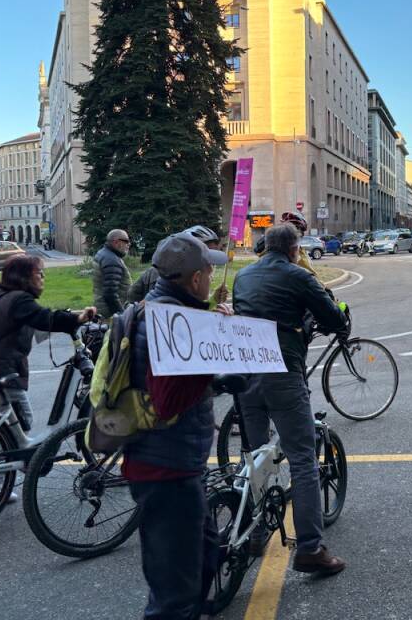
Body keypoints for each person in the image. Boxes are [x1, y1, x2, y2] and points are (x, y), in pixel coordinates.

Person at [124, 233, 230, 620]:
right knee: (173, 591)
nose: (212, 274)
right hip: (166, 468)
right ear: (195, 278)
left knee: (204, 556)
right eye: (208, 269)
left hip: (173, 462)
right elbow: (169, 400)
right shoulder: (170, 323)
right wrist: (208, 359)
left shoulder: (161, 310)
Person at [233, 223, 348, 575]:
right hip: (281, 369)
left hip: (245, 370)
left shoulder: (243, 276)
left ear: (265, 247)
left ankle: (252, 534)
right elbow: (331, 316)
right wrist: (337, 321)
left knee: (255, 457)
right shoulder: (299, 276)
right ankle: (311, 549)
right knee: (302, 458)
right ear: (295, 249)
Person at [0, 255, 95, 442]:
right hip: (2, 374)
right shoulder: (19, 300)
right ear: (24, 277)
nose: (43, 277)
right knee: (22, 424)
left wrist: (68, 320)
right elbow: (44, 319)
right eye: (39, 273)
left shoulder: (5, 297)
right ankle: (0, 470)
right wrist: (78, 319)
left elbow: (39, 326)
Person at [129, 225, 228, 305]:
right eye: (207, 261)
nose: (211, 277)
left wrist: (213, 302)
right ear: (195, 279)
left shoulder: (168, 290)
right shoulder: (161, 278)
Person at [92, 229, 131, 319]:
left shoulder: (103, 253)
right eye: (126, 241)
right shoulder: (112, 260)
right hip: (110, 313)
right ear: (116, 242)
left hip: (102, 307)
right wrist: (121, 314)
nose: (129, 244)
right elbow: (110, 293)